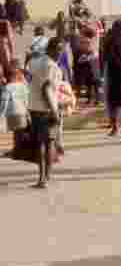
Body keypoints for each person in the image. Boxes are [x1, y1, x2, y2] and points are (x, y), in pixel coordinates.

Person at [27, 37, 63, 188]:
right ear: (50, 49)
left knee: (42, 144)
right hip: (46, 109)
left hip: (36, 108)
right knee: (47, 144)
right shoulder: (51, 65)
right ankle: (44, 178)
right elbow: (46, 89)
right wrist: (54, 110)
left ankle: (43, 178)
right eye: (58, 49)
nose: (60, 53)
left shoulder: (40, 62)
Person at [103, 20, 121, 137]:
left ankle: (114, 128)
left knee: (113, 102)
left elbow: (105, 57)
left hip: (112, 74)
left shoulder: (108, 39)